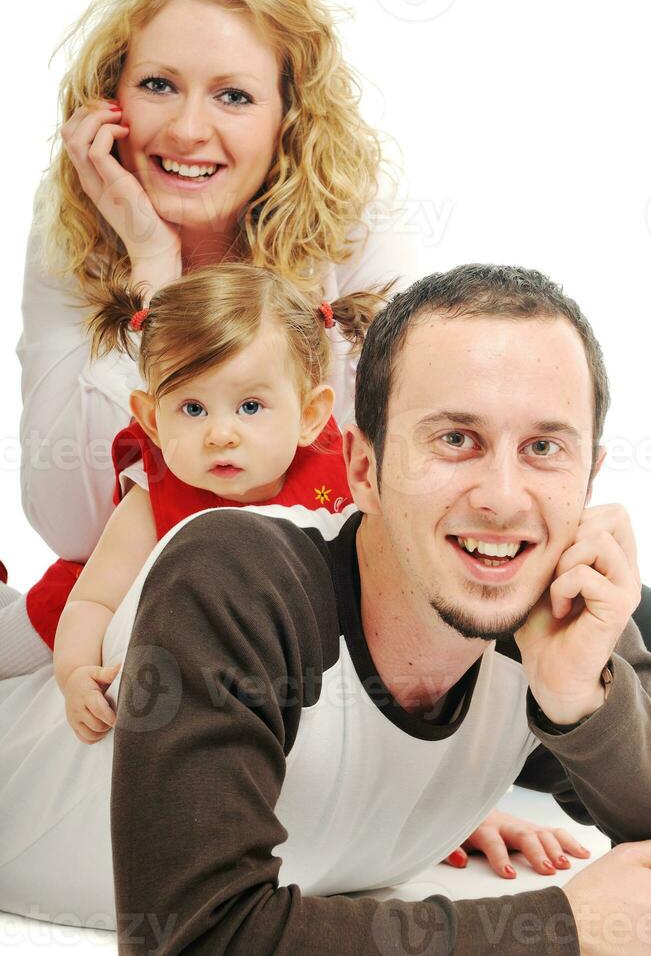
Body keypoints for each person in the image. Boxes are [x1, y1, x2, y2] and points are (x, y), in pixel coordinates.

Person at [109, 264, 651, 954]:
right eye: (455, 439)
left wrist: (580, 701)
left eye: (544, 448)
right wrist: (559, 927)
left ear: (589, 477)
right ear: (362, 470)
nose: (504, 498)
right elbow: (194, 937)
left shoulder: (547, 606)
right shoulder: (235, 574)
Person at [6, 0, 421, 676]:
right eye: (159, 85)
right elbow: (76, 526)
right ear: (110, 101)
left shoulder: (351, 222)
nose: (187, 129)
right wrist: (151, 268)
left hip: (328, 590)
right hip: (143, 580)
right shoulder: (77, 227)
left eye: (234, 95)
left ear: (288, 117)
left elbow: (377, 479)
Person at [45, 263, 378, 743]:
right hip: (194, 690)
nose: (220, 435)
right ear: (153, 421)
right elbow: (93, 601)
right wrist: (76, 672)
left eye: (249, 407)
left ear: (309, 416)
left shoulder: (347, 483)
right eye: (193, 409)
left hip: (320, 688)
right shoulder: (155, 498)